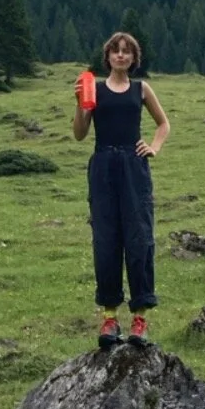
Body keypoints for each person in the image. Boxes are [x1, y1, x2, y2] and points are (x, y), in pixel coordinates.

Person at [72, 31, 170, 349]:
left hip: (133, 167)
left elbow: (163, 123)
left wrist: (153, 147)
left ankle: (139, 319)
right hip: (102, 167)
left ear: (133, 58)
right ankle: (110, 317)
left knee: (139, 239)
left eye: (127, 52)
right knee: (106, 241)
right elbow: (79, 134)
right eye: (116, 51)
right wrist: (79, 106)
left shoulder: (142, 89)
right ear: (108, 56)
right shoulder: (94, 91)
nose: (121, 56)